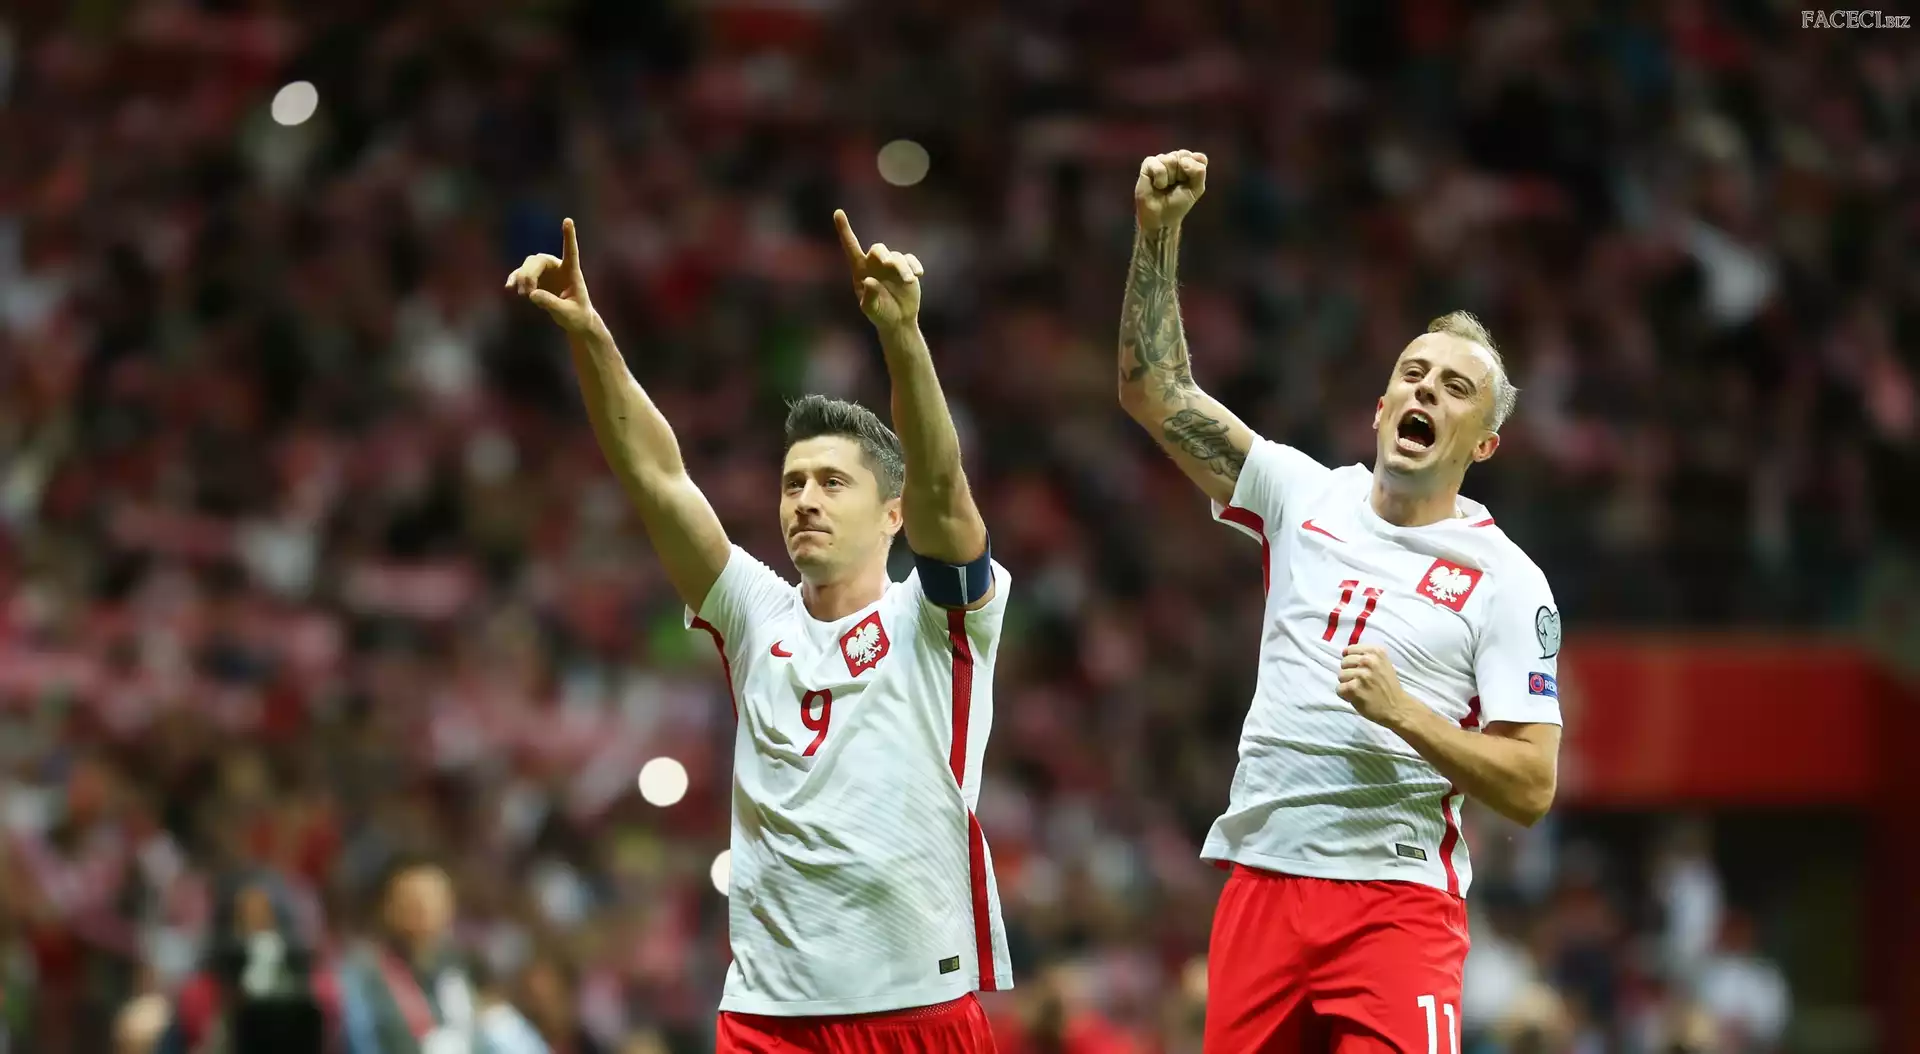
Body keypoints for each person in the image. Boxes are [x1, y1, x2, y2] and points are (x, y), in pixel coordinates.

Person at [506, 213, 1010, 1051]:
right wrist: (591, 337)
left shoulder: (936, 618)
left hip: (916, 1008)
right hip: (767, 1019)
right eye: (792, 483)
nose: (805, 499)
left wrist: (902, 338)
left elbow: (943, 487)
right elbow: (655, 474)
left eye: (832, 483)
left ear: (892, 514)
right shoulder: (755, 614)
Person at [1117, 151, 1564, 1053]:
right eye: (1414, 373)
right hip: (1262, 881)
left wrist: (1404, 713)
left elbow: (1531, 785)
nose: (1427, 388)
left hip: (1395, 903)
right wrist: (1156, 234)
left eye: (1456, 388)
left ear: (1484, 444)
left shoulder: (1507, 580)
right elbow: (1153, 391)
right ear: (1381, 406)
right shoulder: (1302, 494)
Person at [336, 857, 482, 1054]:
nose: (425, 912)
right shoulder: (363, 973)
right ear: (388, 908)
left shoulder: (452, 968)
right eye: (413, 902)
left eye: (434, 900)